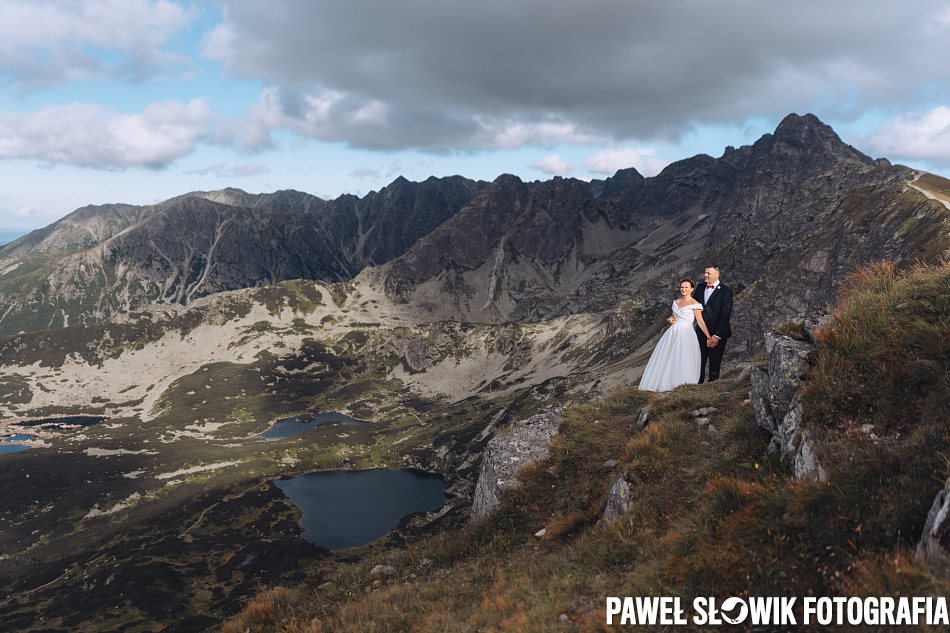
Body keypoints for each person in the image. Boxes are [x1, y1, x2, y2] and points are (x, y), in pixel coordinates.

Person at [639, 279, 712, 392]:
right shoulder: (676, 302)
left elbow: (700, 321)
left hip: (686, 333)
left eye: (686, 287)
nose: (683, 289)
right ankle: (664, 381)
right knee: (668, 357)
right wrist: (670, 319)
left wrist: (708, 336)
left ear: (692, 289)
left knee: (683, 357)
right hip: (673, 332)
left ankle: (682, 382)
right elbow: (673, 317)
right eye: (682, 287)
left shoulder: (695, 304)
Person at [691, 265, 733, 382]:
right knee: (698, 362)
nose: (705, 275)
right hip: (701, 332)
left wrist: (716, 336)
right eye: (705, 272)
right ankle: (695, 388)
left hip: (718, 334)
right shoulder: (700, 287)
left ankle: (711, 392)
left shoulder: (726, 291)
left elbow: (725, 315)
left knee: (714, 364)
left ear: (717, 274)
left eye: (708, 273)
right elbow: (692, 305)